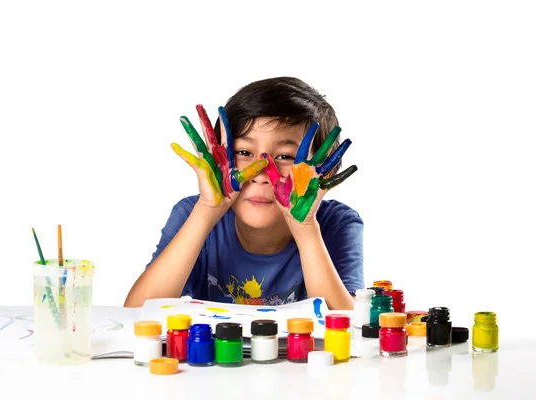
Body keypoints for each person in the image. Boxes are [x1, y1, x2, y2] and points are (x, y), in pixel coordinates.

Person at [124, 77, 364, 310]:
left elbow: (345, 330)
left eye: (285, 157)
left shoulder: (335, 222)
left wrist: (305, 228)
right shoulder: (191, 213)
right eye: (244, 152)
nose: (260, 173)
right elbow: (137, 314)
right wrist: (207, 210)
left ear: (325, 169)